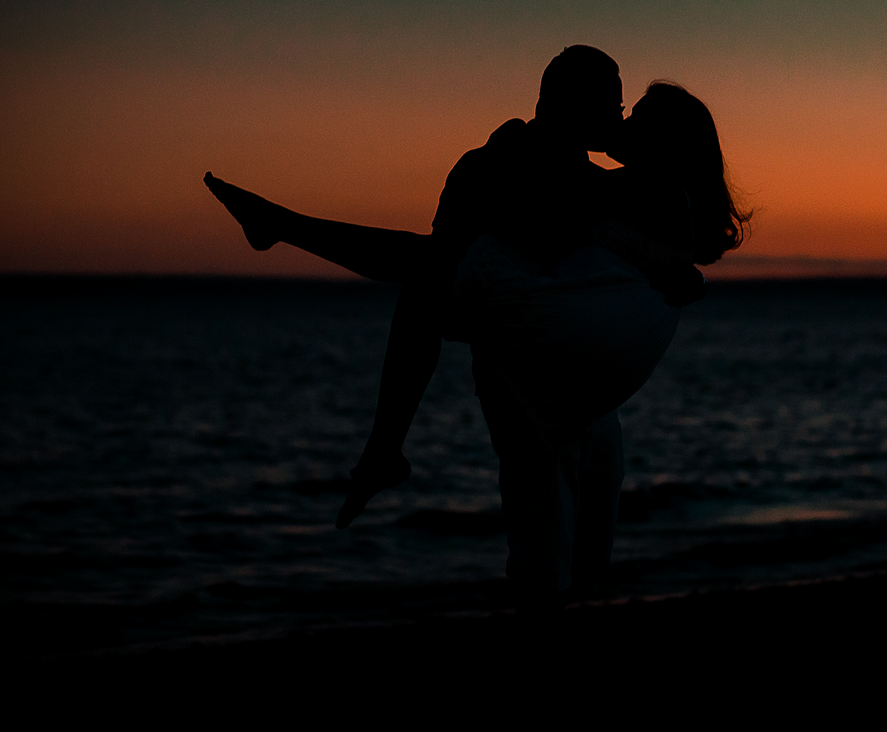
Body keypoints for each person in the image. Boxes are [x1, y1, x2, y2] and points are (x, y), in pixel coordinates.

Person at [207, 51, 748, 606]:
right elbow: (436, 291)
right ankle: (285, 230)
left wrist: (673, 267)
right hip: (528, 363)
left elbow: (637, 234)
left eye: (626, 107)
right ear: (571, 104)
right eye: (613, 104)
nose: (619, 115)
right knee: (433, 271)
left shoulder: (605, 182)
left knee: (586, 562)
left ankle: (286, 233)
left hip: (581, 380)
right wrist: (675, 270)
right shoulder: (509, 166)